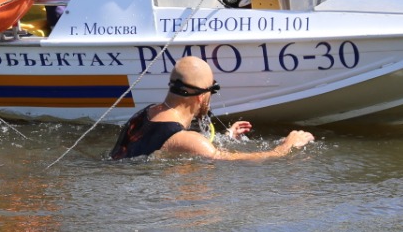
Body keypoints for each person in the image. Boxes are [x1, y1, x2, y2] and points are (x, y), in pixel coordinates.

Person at [111, 57, 315, 161]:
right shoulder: (186, 138)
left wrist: (227, 136)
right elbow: (232, 160)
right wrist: (286, 146)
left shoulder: (145, 113)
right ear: (201, 96)